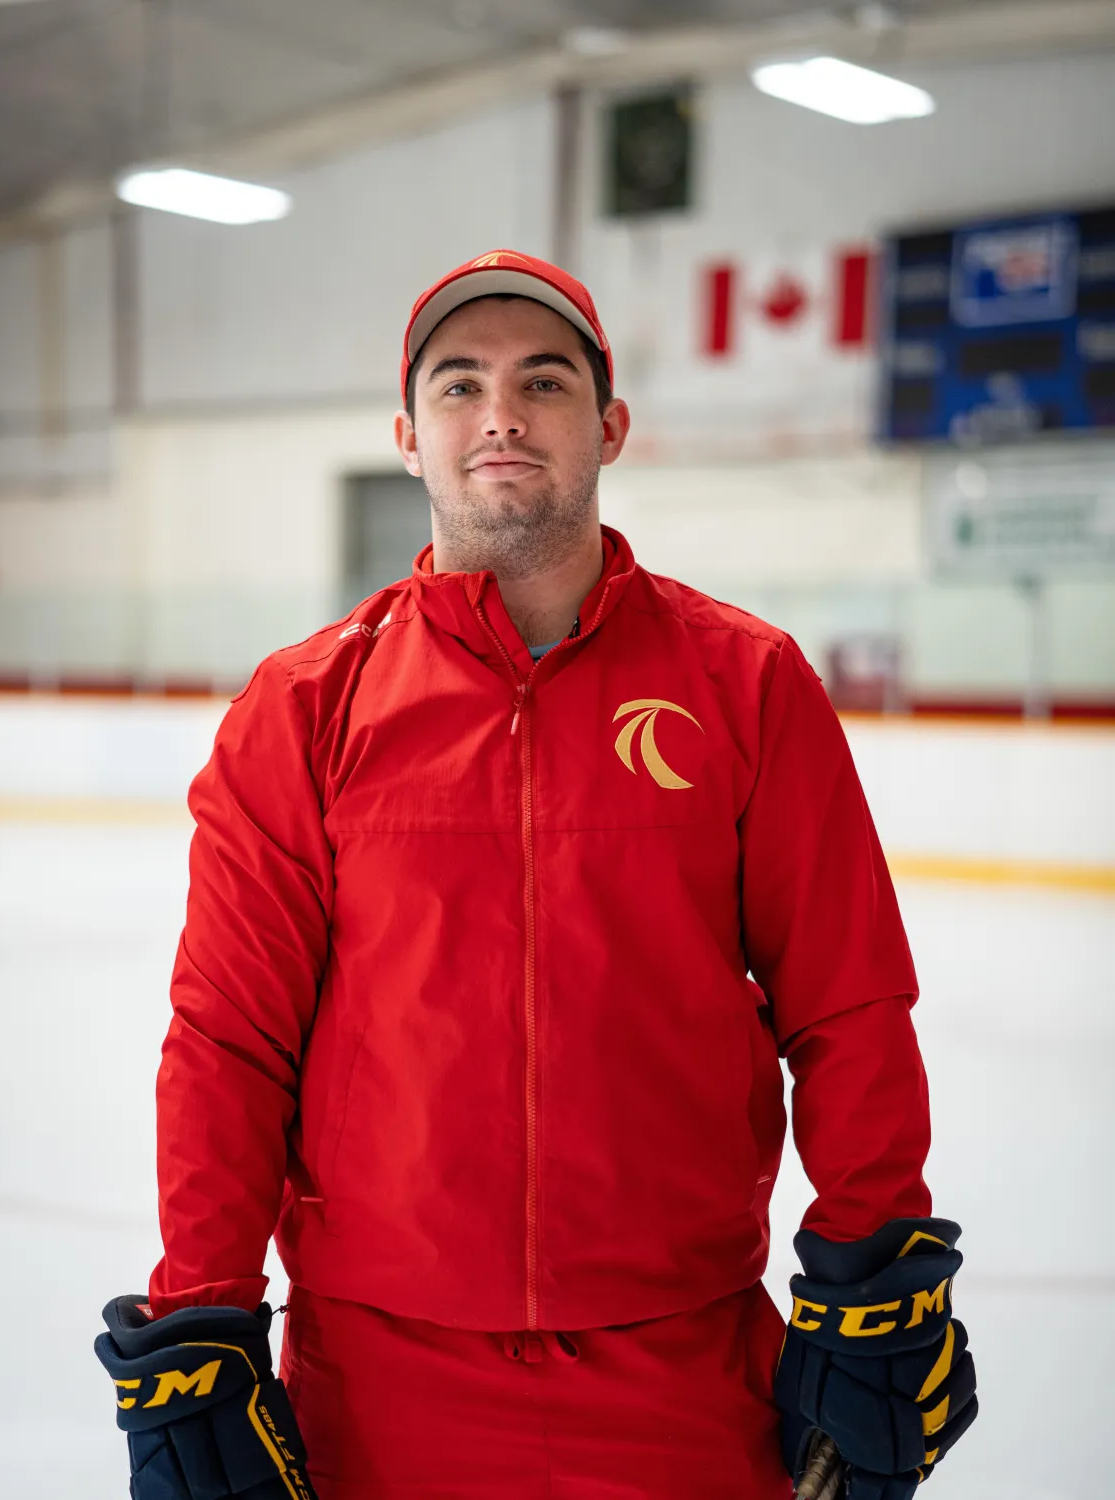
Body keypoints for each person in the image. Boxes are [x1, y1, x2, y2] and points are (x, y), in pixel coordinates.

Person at [96, 250, 977, 1500]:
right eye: (460, 385)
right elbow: (229, 1037)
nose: (500, 414)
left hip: (684, 1374)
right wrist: (201, 1313)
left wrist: (873, 1264)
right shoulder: (302, 707)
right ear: (409, 437)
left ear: (609, 427)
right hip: (378, 1388)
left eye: (544, 381)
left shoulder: (747, 681)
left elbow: (848, 1001)